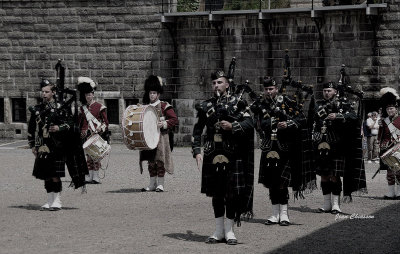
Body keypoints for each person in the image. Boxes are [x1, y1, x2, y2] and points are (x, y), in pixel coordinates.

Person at [192, 70, 254, 245]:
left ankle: (229, 231)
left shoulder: (238, 103)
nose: (216, 86)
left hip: (232, 154)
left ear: (227, 84)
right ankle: (218, 231)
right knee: (216, 194)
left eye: (219, 82)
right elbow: (198, 130)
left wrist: (233, 126)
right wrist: (197, 151)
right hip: (213, 154)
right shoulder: (206, 105)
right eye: (214, 83)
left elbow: (250, 124)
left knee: (232, 194)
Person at [251, 77, 315, 226]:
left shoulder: (287, 102)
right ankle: (274, 214)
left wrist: (288, 123)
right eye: (266, 89)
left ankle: (284, 214)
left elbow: (301, 120)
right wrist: (271, 123)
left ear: (276, 89)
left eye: (271, 89)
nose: (268, 92)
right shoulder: (261, 104)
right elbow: (258, 123)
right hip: (268, 147)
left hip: (285, 148)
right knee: (271, 182)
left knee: (282, 182)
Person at [311, 82, 366, 214]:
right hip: (322, 146)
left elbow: (354, 117)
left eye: (329, 90)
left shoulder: (343, 104)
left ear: (335, 91)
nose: (326, 93)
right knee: (324, 176)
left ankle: (336, 205)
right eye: (324, 90)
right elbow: (313, 122)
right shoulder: (318, 105)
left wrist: (339, 116)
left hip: (338, 146)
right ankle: (326, 204)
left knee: (334, 176)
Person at [28, 79, 72, 211]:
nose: (44, 94)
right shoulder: (38, 109)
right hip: (42, 146)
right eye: (42, 92)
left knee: (55, 174)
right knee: (46, 174)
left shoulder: (61, 107)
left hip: (57, 145)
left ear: (53, 92)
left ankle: (57, 200)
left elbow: (71, 123)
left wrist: (59, 128)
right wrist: (32, 146)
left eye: (46, 92)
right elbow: (31, 129)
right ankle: (49, 200)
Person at [140, 75, 178, 192]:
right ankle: (152, 184)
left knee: (160, 161)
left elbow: (174, 119)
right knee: (151, 161)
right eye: (150, 93)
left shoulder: (164, 106)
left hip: (161, 137)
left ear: (158, 94)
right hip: (148, 137)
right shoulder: (144, 107)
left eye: (154, 93)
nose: (152, 95)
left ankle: (160, 184)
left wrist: (164, 123)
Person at [78, 77, 109, 184]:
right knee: (88, 156)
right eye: (86, 95)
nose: (88, 97)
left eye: (90, 94)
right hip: (85, 135)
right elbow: (79, 123)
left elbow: (106, 123)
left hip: (96, 135)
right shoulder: (82, 108)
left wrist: (101, 128)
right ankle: (89, 176)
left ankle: (96, 176)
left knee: (96, 156)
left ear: (93, 94)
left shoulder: (100, 106)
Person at [377, 87, 400, 199]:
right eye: (388, 109)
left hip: (398, 148)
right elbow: (380, 135)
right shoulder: (384, 121)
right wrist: (379, 146)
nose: (390, 111)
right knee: (389, 171)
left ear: (396, 109)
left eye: (392, 108)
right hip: (386, 148)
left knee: (399, 170)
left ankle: (399, 192)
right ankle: (391, 192)